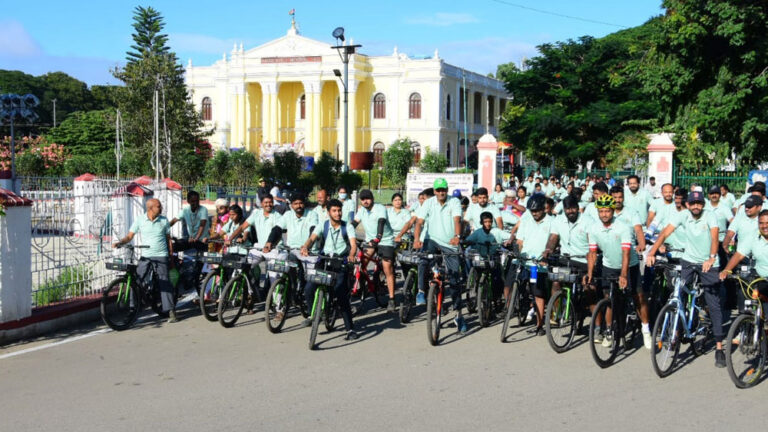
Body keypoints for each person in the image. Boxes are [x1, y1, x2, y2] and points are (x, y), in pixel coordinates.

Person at [647, 191, 725, 367]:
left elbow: (714, 238)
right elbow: (665, 233)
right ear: (688, 204)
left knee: (713, 304)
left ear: (702, 204)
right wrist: (651, 252)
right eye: (693, 203)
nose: (696, 206)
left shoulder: (710, 216)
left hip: (709, 262)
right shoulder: (683, 215)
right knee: (677, 292)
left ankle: (719, 348)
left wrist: (711, 257)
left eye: (699, 203)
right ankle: (675, 333)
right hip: (689, 260)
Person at [300, 199, 359, 340]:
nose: (338, 213)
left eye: (339, 210)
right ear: (328, 212)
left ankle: (349, 329)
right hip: (324, 259)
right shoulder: (323, 225)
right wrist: (305, 247)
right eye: (334, 211)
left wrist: (351, 255)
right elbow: (312, 237)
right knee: (309, 287)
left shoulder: (347, 227)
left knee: (340, 293)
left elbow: (353, 244)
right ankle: (312, 314)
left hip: (341, 261)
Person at [413, 178, 466, 333]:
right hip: (433, 240)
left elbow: (457, 219)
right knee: (423, 259)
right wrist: (417, 239)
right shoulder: (428, 203)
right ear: (434, 191)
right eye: (438, 190)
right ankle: (421, 292)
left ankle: (458, 314)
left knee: (455, 280)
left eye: (444, 189)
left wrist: (457, 236)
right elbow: (419, 223)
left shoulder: (454, 202)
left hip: (450, 244)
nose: (441, 192)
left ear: (447, 190)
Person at [112, 199, 177, 323]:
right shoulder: (140, 220)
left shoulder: (164, 221)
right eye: (159, 206)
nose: (161, 208)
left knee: (164, 282)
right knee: (136, 281)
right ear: (150, 208)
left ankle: (171, 311)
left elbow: (168, 240)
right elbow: (130, 236)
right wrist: (120, 242)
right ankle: (133, 308)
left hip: (161, 255)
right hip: (146, 255)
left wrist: (171, 257)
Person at [584, 195, 633, 347]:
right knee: (608, 297)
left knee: (632, 297)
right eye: (601, 211)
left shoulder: (623, 227)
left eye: (607, 211)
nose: (604, 214)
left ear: (613, 211)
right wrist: (590, 274)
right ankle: (609, 330)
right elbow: (592, 253)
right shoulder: (593, 228)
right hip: (608, 265)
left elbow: (626, 253)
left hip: (627, 265)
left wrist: (624, 275)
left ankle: (634, 321)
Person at [609, 186, 651, 348]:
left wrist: (641, 243)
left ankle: (646, 329)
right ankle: (610, 330)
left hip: (631, 259)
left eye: (620, 197)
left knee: (638, 296)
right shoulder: (606, 214)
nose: (618, 200)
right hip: (612, 260)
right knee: (610, 297)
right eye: (615, 197)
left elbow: (638, 230)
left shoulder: (631, 213)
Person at [543, 195, 597, 315]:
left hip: (584, 262)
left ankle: (596, 322)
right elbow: (553, 238)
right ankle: (557, 313)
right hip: (566, 261)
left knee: (589, 289)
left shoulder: (588, 221)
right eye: (567, 209)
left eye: (573, 208)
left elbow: (592, 244)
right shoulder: (558, 220)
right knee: (556, 282)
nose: (570, 211)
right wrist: (548, 249)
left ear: (578, 208)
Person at [508, 194, 554, 335]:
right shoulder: (526, 221)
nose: (534, 213)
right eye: (532, 211)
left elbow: (553, 239)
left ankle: (540, 324)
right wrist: (518, 252)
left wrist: (547, 252)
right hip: (523, 261)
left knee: (537, 293)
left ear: (543, 209)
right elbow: (520, 241)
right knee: (510, 285)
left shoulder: (551, 222)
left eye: (537, 211)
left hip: (536, 264)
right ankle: (518, 307)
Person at [353, 189, 397, 312]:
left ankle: (392, 299)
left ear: (372, 199)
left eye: (367, 198)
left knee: (388, 268)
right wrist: (346, 234)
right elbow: (354, 223)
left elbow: (381, 222)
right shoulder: (361, 211)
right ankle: (362, 288)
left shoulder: (380, 208)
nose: (365, 201)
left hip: (385, 240)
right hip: (369, 241)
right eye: (363, 199)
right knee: (361, 264)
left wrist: (378, 237)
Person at [719, 210, 768, 313]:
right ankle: (745, 321)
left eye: (767, 223)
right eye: (761, 223)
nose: (764, 226)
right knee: (744, 289)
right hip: (760, 276)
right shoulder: (754, 236)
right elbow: (739, 254)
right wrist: (726, 270)